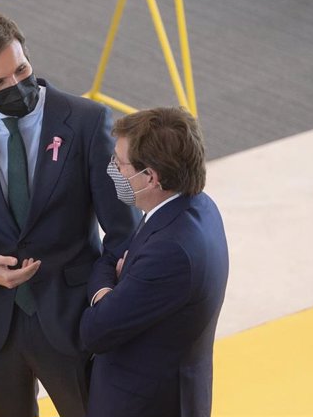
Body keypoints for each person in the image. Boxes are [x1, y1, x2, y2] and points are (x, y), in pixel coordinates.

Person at [0, 12, 138, 417]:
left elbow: (122, 228)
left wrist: (104, 299)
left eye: (21, 69)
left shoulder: (87, 120)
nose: (17, 85)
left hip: (72, 316)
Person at [80, 107, 229, 417]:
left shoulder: (170, 251)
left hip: (142, 404)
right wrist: (120, 284)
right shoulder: (199, 207)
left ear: (150, 177)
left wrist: (104, 293)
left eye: (120, 163)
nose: (114, 171)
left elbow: (95, 331)